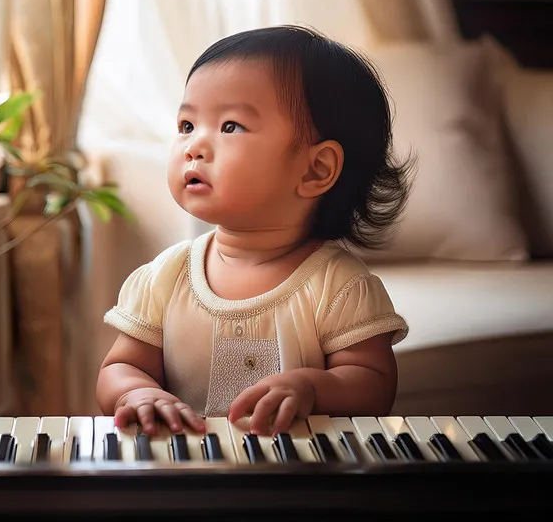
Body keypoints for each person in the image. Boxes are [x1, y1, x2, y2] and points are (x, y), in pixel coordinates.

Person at [96, 24, 415, 438]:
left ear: (316, 169)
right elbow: (121, 368)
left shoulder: (338, 286)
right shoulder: (166, 276)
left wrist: (314, 388)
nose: (194, 146)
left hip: (296, 478)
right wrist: (135, 393)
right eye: (187, 125)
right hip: (184, 473)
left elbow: (373, 386)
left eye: (230, 126)